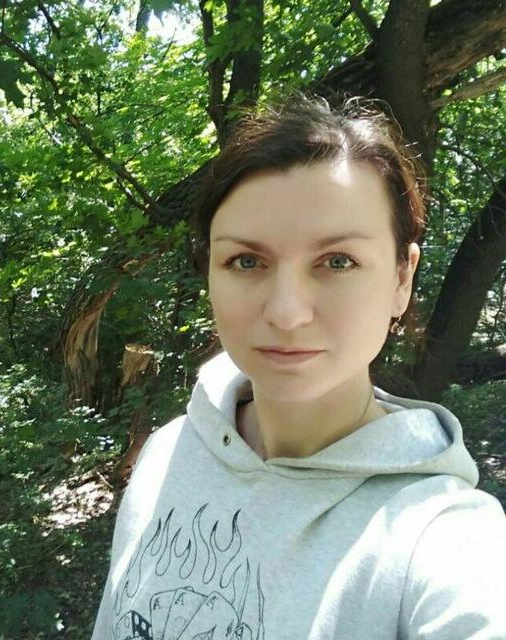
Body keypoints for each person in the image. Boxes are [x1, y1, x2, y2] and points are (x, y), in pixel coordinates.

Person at [90, 94, 506, 639]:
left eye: (338, 261)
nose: (286, 313)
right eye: (246, 261)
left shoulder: (441, 538)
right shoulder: (169, 453)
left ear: (402, 278)